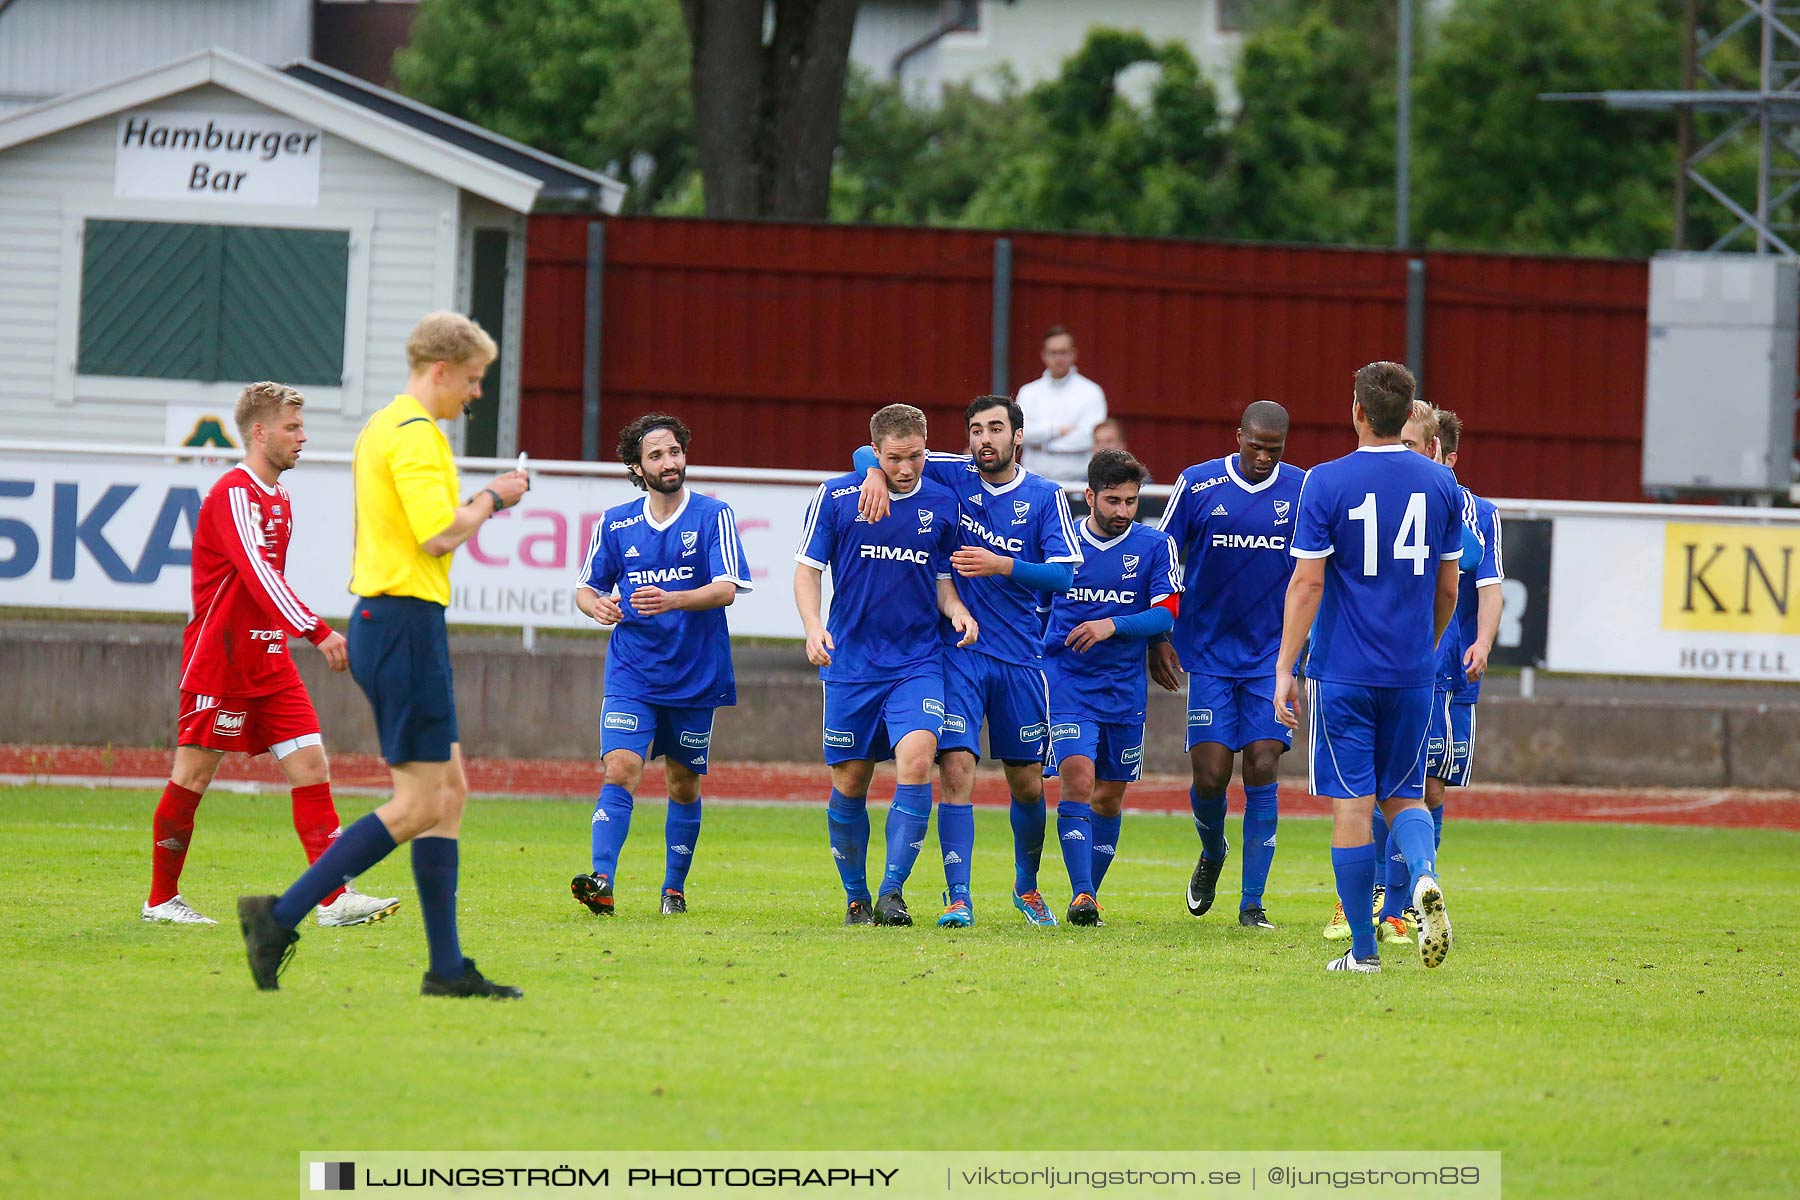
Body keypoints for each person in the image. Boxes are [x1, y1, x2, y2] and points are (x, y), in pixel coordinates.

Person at [237, 311, 529, 997]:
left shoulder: (383, 424)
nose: (476, 393)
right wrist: (495, 495)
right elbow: (437, 534)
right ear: (441, 371)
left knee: (449, 794)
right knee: (420, 802)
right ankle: (277, 916)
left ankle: (447, 968)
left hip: (391, 620)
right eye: (473, 379)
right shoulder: (419, 436)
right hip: (401, 624)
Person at [144, 382, 399, 929]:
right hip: (222, 662)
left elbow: (268, 580)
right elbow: (257, 574)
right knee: (192, 777)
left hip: (269, 660)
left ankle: (332, 899)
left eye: (301, 428)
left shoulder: (279, 497)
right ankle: (161, 900)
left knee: (311, 765)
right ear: (260, 433)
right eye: (292, 428)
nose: (302, 438)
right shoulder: (234, 493)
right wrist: (316, 630)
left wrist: (291, 636)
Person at [853, 395, 1082, 928]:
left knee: (1027, 781)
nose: (985, 439)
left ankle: (1027, 886)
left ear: (1017, 437)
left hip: (1022, 659)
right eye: (976, 429)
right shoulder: (950, 473)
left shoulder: (1045, 497)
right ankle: (959, 896)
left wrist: (1001, 564)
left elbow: (1065, 575)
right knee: (956, 767)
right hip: (957, 654)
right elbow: (874, 453)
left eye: (996, 429)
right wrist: (872, 477)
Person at [1273, 361, 1462, 974]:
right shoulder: (1441, 486)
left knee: (1352, 807)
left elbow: (1306, 583)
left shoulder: (1325, 482)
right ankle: (1425, 878)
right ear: (1408, 415)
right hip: (1413, 672)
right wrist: (1424, 647)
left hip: (1345, 672)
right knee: (1405, 797)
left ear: (1356, 411)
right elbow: (1449, 589)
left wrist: (1285, 668)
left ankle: (1363, 952)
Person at [796, 404, 977, 927]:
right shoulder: (836, 496)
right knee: (851, 780)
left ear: (927, 447)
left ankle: (893, 891)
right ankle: (856, 895)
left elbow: (943, 579)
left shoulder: (943, 502)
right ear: (875, 453)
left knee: (917, 762)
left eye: (916, 456)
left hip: (917, 662)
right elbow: (806, 571)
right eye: (894, 459)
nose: (906, 468)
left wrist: (958, 609)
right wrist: (812, 626)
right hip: (851, 663)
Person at [570, 414, 753, 918]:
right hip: (633, 671)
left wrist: (673, 599)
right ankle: (602, 879)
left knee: (682, 783)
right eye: (656, 455)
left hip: (696, 674)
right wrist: (597, 607)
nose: (670, 462)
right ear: (636, 466)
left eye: (674, 451)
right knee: (622, 766)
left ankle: (673, 888)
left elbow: (726, 590)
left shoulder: (714, 515)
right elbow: (586, 589)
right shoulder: (616, 522)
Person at [1153, 401, 1306, 930]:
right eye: (1255, 445)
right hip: (1212, 655)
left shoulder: (1304, 492)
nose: (1263, 457)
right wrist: (1160, 634)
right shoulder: (1197, 485)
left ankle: (1252, 903)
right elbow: (1162, 553)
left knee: (1263, 762)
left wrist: (1300, 662)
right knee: (1213, 774)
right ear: (1237, 435)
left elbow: (1316, 577)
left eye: (1275, 449)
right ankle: (1213, 850)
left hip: (1271, 656)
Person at [1373, 409, 1502, 939]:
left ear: (1442, 454)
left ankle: (1413, 892)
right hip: (1394, 665)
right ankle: (1383, 897)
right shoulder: (1380, 496)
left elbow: (1486, 578)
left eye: (1413, 443)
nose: (1404, 451)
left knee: (1432, 788)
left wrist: (1482, 641)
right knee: (1390, 785)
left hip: (1448, 673)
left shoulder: (1476, 512)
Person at [1041, 450, 1182, 925]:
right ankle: (1081, 894)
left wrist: (1112, 625)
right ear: (1089, 497)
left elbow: (1166, 612)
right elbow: (1036, 605)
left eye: (1131, 501)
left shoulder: (1154, 545)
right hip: (1066, 683)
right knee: (1078, 778)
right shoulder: (1060, 542)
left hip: (1123, 689)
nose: (1123, 511)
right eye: (1113, 501)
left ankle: (1090, 896)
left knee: (1109, 797)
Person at [1018, 326, 1107, 486]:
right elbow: (1021, 434)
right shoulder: (1028, 392)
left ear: (1073, 354)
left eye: (1063, 352)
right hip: (1033, 481)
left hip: (1078, 482)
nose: (1059, 358)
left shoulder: (1091, 392)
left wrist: (1043, 445)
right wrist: (1057, 431)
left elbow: (1088, 438)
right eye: (1053, 353)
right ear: (1044, 355)